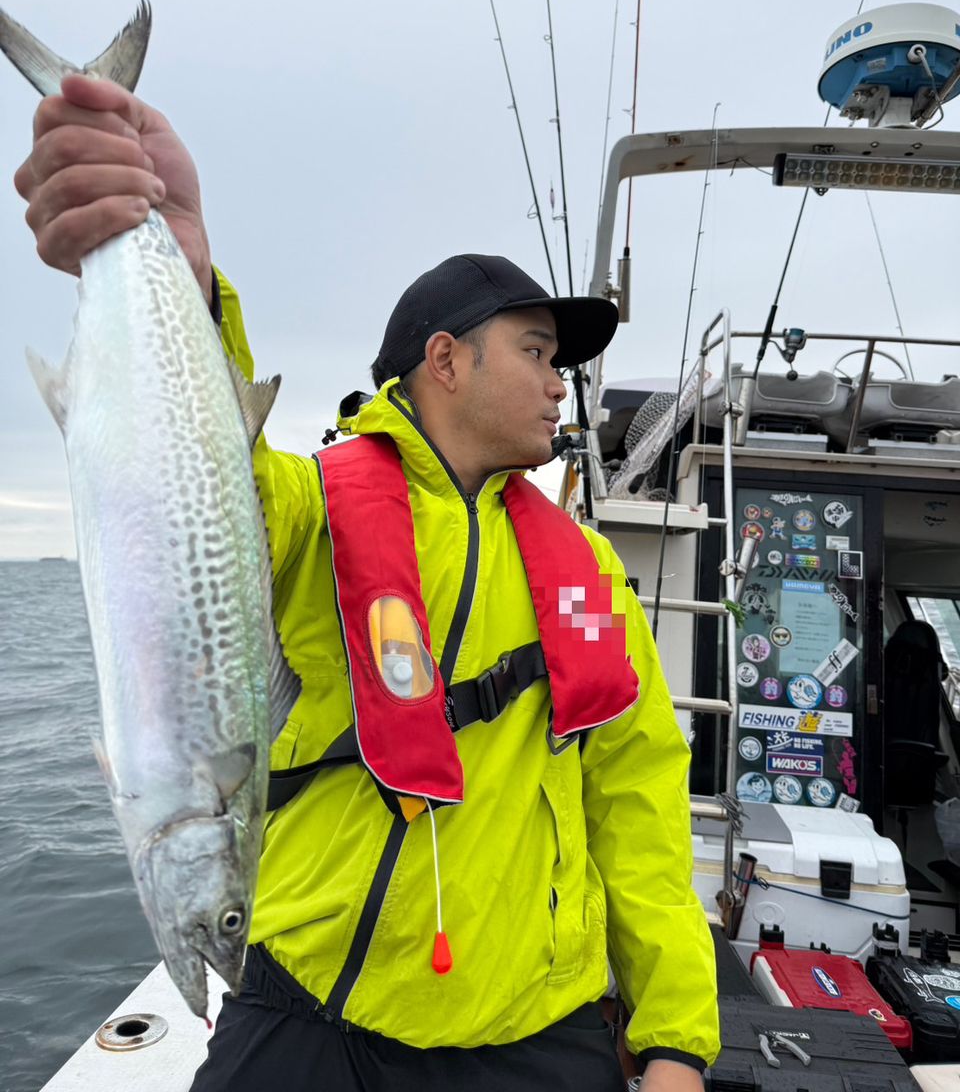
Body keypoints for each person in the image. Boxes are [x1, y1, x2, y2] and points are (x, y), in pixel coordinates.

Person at [16, 74, 720, 1090]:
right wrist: (189, 275)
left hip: (536, 1025)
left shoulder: (589, 569)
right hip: (313, 1002)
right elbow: (201, 493)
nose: (560, 380)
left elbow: (639, 809)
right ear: (447, 359)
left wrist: (674, 1040)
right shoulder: (316, 508)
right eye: (536, 351)